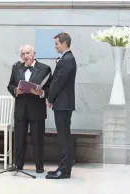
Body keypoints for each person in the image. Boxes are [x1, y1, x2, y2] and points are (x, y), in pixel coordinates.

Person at [7, 44, 52, 173]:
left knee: (37, 139)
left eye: (28, 53)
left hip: (37, 108)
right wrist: (15, 90)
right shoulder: (16, 68)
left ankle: (39, 166)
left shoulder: (45, 69)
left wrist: (41, 93)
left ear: (34, 54)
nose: (25, 56)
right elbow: (10, 85)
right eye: (23, 54)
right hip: (21, 108)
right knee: (19, 138)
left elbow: (50, 88)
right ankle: (18, 165)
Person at [46, 32, 77, 179]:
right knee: (63, 136)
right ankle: (63, 167)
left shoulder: (67, 60)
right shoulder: (67, 59)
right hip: (63, 104)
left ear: (64, 44)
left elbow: (58, 82)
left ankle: (64, 170)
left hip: (63, 104)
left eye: (57, 43)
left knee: (64, 137)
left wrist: (50, 98)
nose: (55, 46)